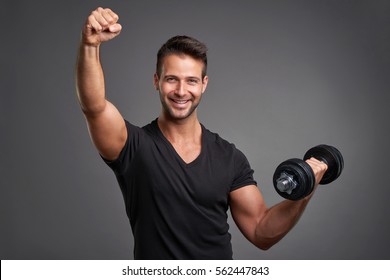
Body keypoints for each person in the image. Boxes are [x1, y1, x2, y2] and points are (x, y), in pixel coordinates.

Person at [76, 7, 328, 260]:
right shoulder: (132, 146)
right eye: (171, 79)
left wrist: (305, 190)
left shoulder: (229, 157)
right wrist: (90, 44)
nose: (181, 91)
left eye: (191, 81)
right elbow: (94, 106)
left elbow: (261, 231)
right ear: (156, 81)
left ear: (204, 84)